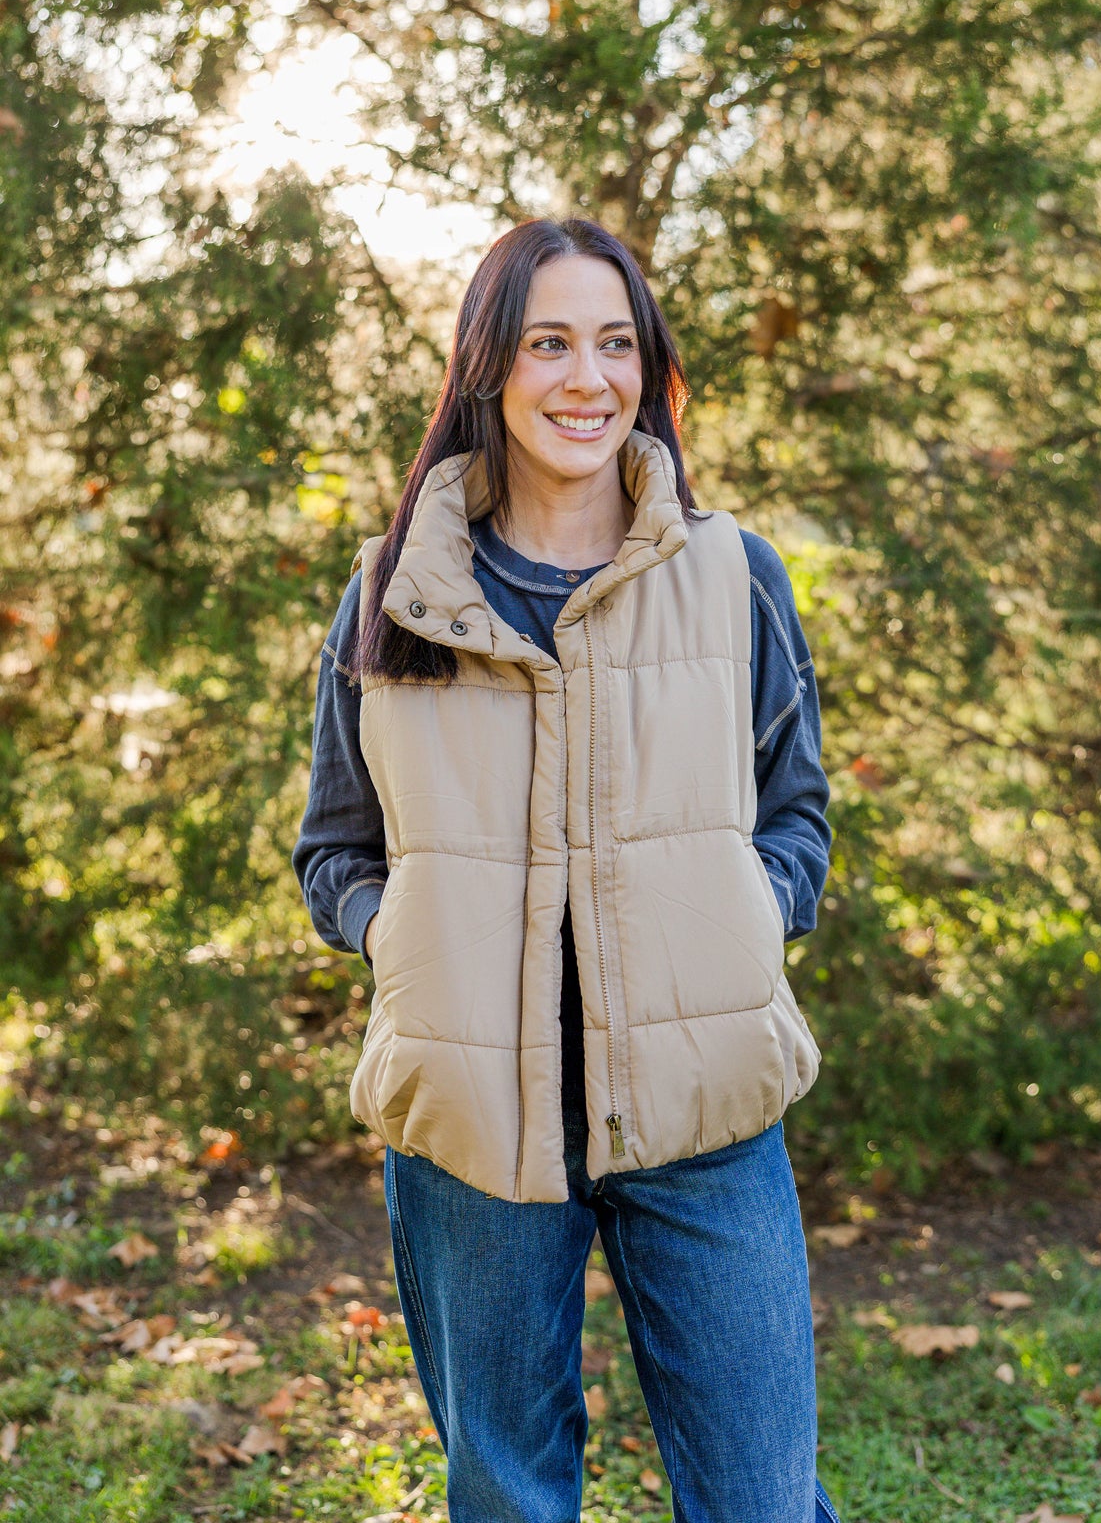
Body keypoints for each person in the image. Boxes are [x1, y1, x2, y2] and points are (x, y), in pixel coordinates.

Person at [293, 217, 841, 1523]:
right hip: (473, 1125)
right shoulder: (392, 596)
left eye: (616, 342)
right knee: (509, 1497)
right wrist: (407, 944)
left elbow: (797, 817)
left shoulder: (731, 575)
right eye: (550, 342)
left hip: (706, 1115)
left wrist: (741, 926)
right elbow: (334, 849)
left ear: (649, 368)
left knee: (764, 1501)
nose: (586, 378)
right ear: (489, 367)